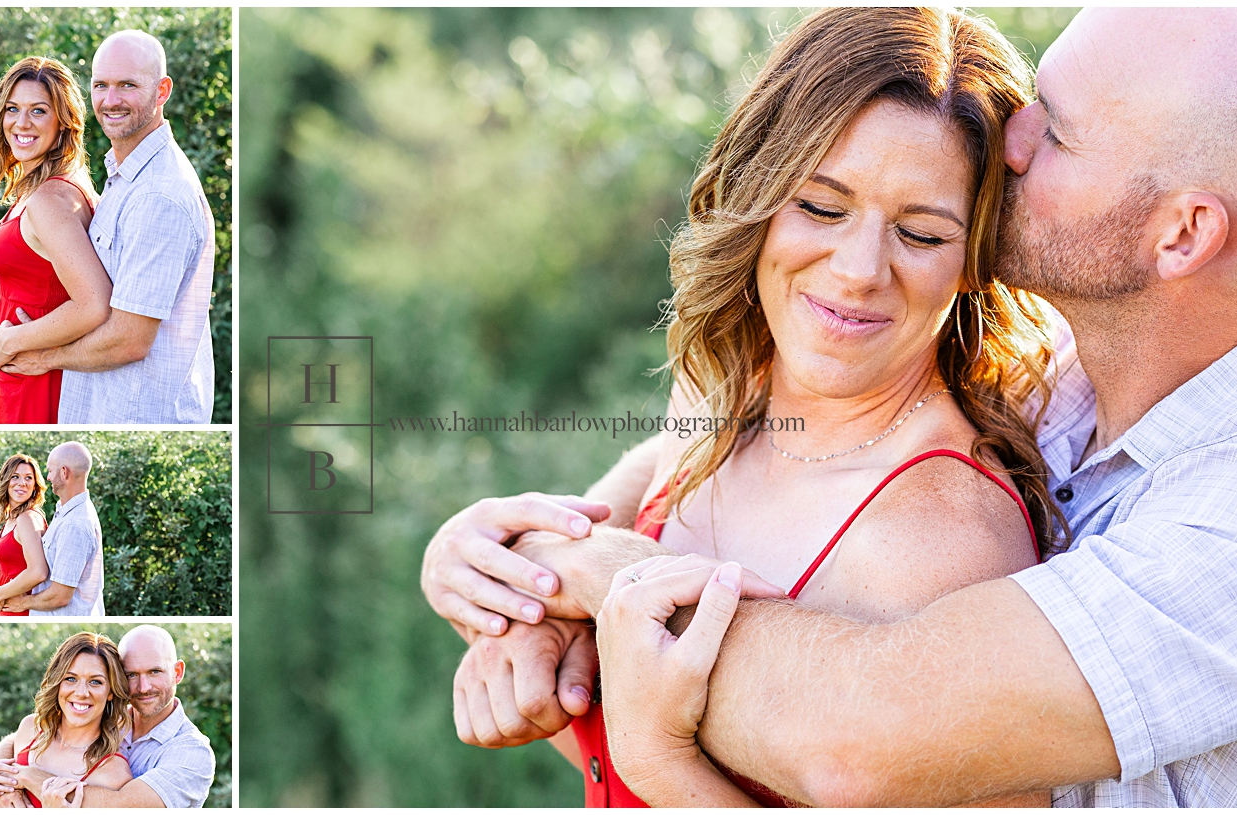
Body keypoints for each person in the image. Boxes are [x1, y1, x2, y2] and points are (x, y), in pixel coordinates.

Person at [422, 7, 1237, 807]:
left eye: (1061, 132)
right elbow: (737, 444)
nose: (1011, 139)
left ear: (1181, 237)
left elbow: (855, 737)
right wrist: (523, 563)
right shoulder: (1057, 382)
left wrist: (596, 579)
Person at [452, 7, 1069, 807]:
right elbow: (576, 619)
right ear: (757, 190)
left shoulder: (937, 541)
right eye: (820, 205)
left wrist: (658, 758)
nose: (857, 269)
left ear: (975, 260)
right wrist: (511, 596)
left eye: (920, 234)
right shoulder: (724, 391)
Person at [0, 30, 216, 425]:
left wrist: (41, 356)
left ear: (162, 90)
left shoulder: (159, 196)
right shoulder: (124, 178)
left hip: (137, 414)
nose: (111, 100)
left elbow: (129, 340)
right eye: (101, 85)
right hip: (104, 405)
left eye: (127, 85)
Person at [0, 57, 113, 424]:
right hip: (17, 368)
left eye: (39, 111)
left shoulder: (50, 200)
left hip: (28, 379)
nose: (22, 123)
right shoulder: (49, 188)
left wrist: (10, 342)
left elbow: (95, 304)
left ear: (63, 121)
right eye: (12, 109)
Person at [0, 625, 218, 808]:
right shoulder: (114, 721)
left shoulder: (191, 752)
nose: (143, 687)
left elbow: (124, 806)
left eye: (155, 672)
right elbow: (16, 740)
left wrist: (30, 778)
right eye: (131, 675)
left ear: (177, 672)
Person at [0, 632, 134, 808]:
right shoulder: (30, 729)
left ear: (110, 692)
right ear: (57, 682)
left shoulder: (113, 773)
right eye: (70, 679)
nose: (81, 693)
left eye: (95, 682)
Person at [0, 442, 103, 617]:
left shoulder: (74, 524)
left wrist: (20, 602)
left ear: (64, 472)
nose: (47, 477)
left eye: (50, 470)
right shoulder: (65, 512)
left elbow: (60, 596)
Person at [0, 453, 51, 616]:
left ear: (35, 485)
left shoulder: (27, 518)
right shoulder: (14, 517)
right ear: (6, 481)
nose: (22, 483)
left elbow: (38, 571)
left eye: (29, 478)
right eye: (15, 476)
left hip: (18, 605)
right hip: (7, 602)